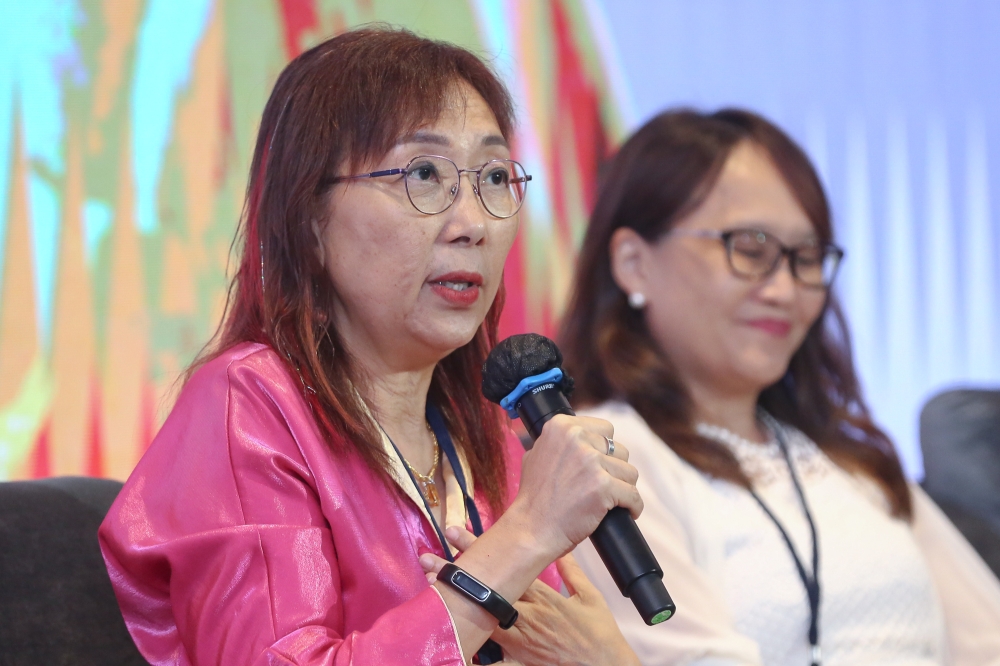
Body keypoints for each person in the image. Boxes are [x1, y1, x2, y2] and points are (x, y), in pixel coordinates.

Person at [98, 28, 643, 666]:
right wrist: (528, 533)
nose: (472, 225)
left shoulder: (484, 434)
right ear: (310, 220)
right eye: (423, 174)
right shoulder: (247, 408)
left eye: (494, 177)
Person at [559, 108, 1000, 665]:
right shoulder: (605, 455)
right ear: (633, 262)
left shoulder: (851, 459)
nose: (785, 289)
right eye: (750, 248)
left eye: (806, 258)